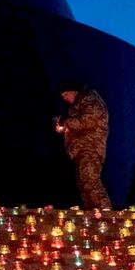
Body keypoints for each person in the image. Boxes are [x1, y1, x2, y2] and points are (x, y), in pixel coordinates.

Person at [56, 78, 112, 209]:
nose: (64, 98)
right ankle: (94, 214)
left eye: (66, 94)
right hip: (80, 150)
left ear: (74, 91)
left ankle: (107, 214)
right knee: (83, 185)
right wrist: (62, 127)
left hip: (90, 147)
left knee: (90, 181)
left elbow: (88, 121)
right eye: (62, 96)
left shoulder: (91, 100)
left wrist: (66, 122)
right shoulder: (77, 107)